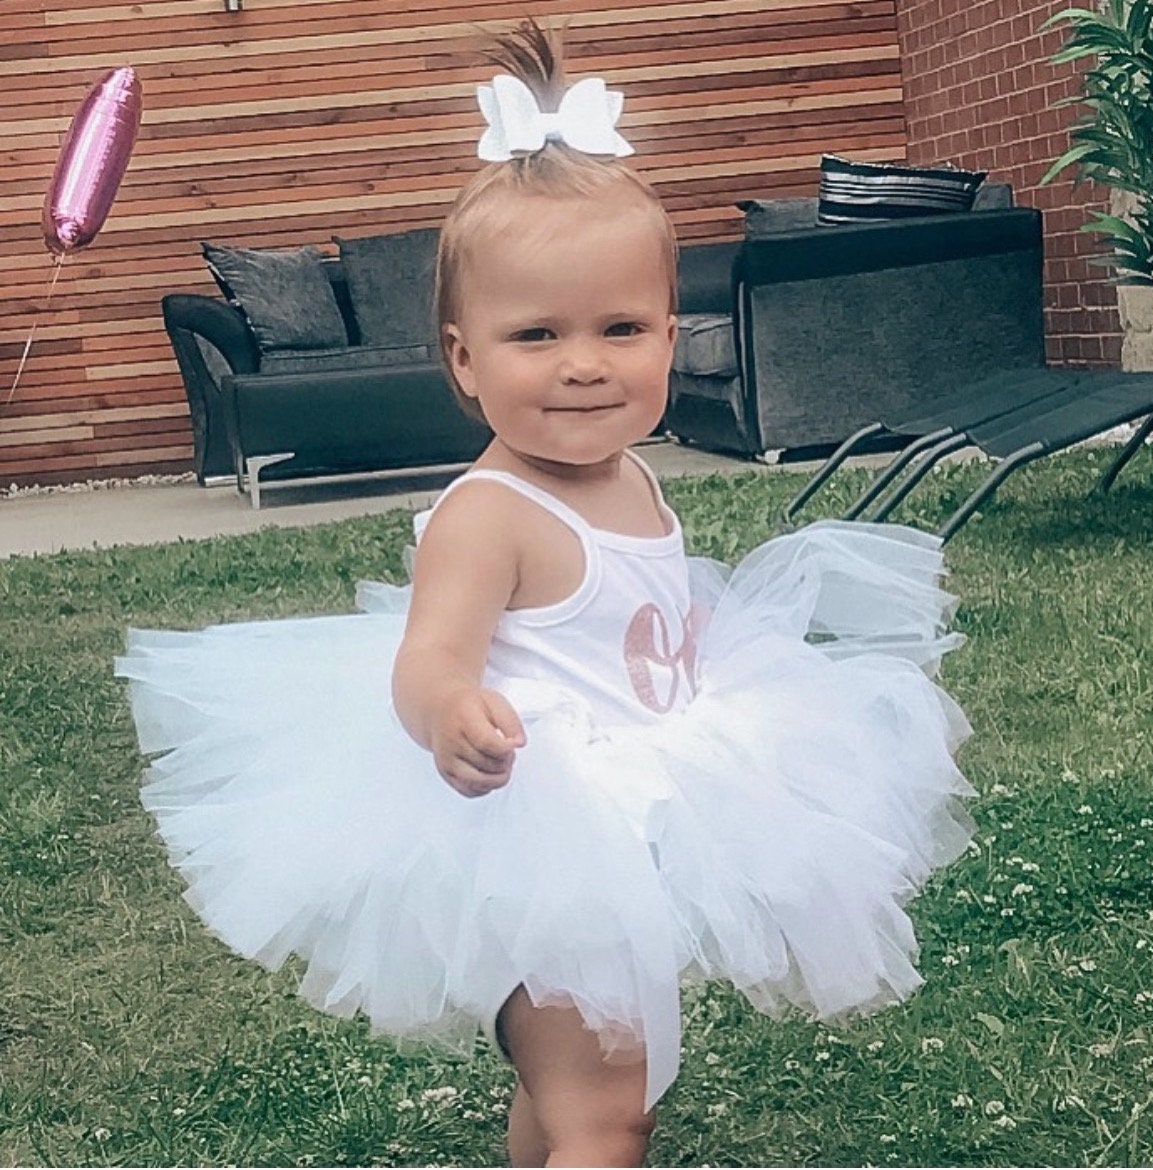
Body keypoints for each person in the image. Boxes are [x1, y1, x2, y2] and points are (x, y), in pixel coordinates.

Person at [116, 22, 975, 1168]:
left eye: (622, 328)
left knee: (605, 1087)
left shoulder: (625, 474)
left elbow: (624, 617)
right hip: (542, 832)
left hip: (651, 807)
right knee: (602, 1110)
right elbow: (427, 660)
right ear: (464, 359)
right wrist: (449, 714)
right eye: (537, 335)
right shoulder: (492, 515)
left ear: (675, 334)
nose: (584, 363)